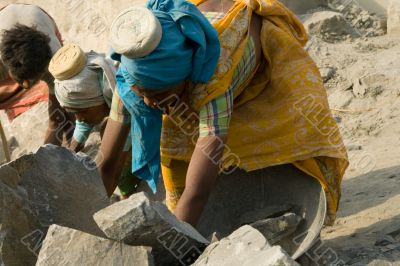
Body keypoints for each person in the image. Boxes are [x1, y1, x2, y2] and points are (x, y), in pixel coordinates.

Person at [98, 0, 349, 227]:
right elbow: (107, 161)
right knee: (173, 133)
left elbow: (198, 190)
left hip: (256, 54)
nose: (149, 101)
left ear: (184, 76)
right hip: (193, 56)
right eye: (141, 92)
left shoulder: (215, 78)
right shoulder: (131, 76)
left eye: (159, 94)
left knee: (295, 123)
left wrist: (174, 245)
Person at [49, 43, 141, 198]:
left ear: (99, 98)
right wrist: (69, 153)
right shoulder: (100, 92)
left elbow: (109, 168)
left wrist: (98, 203)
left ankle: (130, 188)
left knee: (110, 136)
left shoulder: (124, 100)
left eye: (80, 111)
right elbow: (83, 123)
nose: (79, 119)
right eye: (73, 113)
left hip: (145, 117)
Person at [0, 4, 73, 145]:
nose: (26, 86)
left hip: (38, 15)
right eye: (20, 79)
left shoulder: (54, 59)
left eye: (33, 79)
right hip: (4, 15)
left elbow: (55, 122)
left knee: (66, 110)